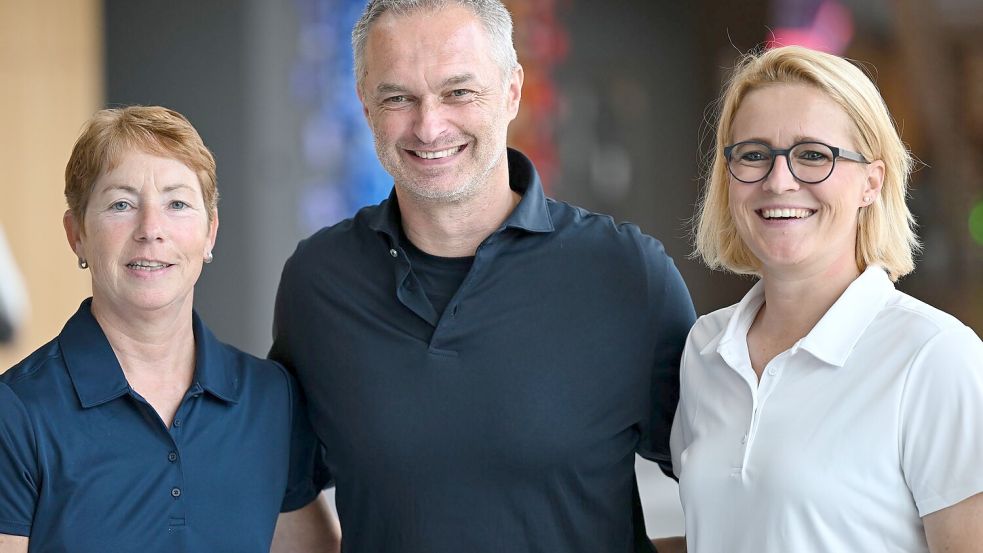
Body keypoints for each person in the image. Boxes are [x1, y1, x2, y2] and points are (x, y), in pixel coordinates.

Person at [269, 1, 696, 551]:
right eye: (398, 97)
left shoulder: (627, 276)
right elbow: (288, 488)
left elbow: (732, 488)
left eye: (458, 92)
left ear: (512, 91)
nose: (429, 125)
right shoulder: (318, 283)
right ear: (366, 106)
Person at [671, 45, 983, 553]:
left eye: (813, 155)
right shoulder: (706, 350)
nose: (778, 180)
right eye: (753, 154)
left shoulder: (935, 357)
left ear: (870, 183)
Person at [0, 106, 340, 553]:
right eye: (121, 204)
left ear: (210, 233)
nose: (151, 230)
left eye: (177, 204)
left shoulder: (271, 399)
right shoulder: (16, 410)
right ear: (76, 234)